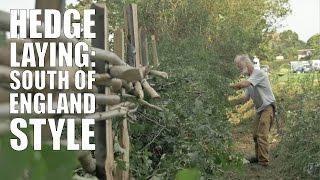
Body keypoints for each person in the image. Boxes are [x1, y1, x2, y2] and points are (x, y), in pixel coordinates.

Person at [230, 54, 276, 166]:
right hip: (260, 109)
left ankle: (264, 162)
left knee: (262, 134)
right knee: (255, 134)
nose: (239, 69)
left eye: (240, 66)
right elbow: (245, 99)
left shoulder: (258, 74)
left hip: (268, 107)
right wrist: (229, 102)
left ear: (246, 63)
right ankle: (258, 157)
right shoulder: (250, 79)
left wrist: (231, 86)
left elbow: (245, 84)